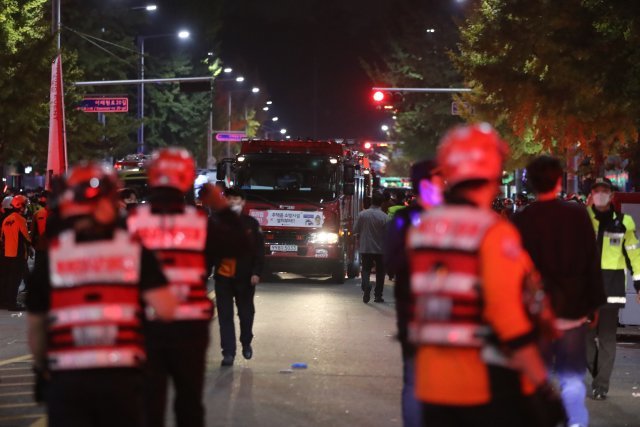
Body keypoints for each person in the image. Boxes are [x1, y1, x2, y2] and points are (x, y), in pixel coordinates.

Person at [407, 123, 565, 427]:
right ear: (494, 169)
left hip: (430, 384)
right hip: (483, 385)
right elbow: (509, 321)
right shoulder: (492, 232)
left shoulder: (423, 228)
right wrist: (542, 384)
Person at [26, 162, 177, 427]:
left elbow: (37, 329)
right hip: (123, 377)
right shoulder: (134, 251)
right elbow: (165, 310)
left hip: (67, 378)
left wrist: (41, 368)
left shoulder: (53, 257)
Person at [127, 147, 247, 427]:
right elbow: (242, 245)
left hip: (144, 323)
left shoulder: (131, 222)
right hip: (189, 327)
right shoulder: (200, 223)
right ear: (186, 180)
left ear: (152, 178)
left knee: (149, 401)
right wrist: (223, 208)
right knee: (189, 400)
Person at [512, 155, 606, 427]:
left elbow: (516, 271)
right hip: (572, 311)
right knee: (572, 377)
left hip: (537, 314)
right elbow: (591, 260)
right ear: (558, 180)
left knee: (535, 377)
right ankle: (575, 422)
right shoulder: (577, 214)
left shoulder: (523, 219)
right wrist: (594, 304)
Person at [385, 159, 443, 427]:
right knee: (415, 377)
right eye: (442, 179)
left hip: (449, 314)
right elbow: (393, 263)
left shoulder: (453, 216)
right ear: (427, 183)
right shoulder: (406, 219)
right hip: (416, 311)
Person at [586, 177, 640, 400]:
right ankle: (599, 373)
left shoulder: (624, 221)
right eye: (596, 190)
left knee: (607, 337)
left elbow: (634, 255)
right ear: (591, 194)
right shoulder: (582, 218)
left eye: (604, 191)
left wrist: (639, 284)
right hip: (586, 287)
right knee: (585, 339)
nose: (600, 194)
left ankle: (601, 385)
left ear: (611, 195)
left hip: (613, 285)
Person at [214, 187, 264, 366]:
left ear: (243, 202)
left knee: (246, 314)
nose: (233, 202)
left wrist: (256, 272)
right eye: (229, 199)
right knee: (225, 316)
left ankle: (246, 342)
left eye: (237, 199)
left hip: (245, 278)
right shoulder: (215, 222)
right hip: (223, 277)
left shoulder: (251, 224)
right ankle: (228, 352)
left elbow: (259, 251)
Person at [354, 191, 388, 303]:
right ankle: (378, 296)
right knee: (380, 272)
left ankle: (366, 286)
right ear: (381, 203)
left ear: (372, 201)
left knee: (366, 270)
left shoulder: (362, 214)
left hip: (366, 247)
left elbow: (355, 230)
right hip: (381, 249)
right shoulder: (385, 217)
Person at [1, 195, 31, 310]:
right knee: (15, 280)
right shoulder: (20, 219)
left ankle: (7, 302)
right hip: (18, 255)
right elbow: (26, 238)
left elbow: (2, 238)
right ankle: (12, 304)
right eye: (25, 205)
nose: (26, 208)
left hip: (6, 254)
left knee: (8, 280)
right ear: (20, 206)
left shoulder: (6, 219)